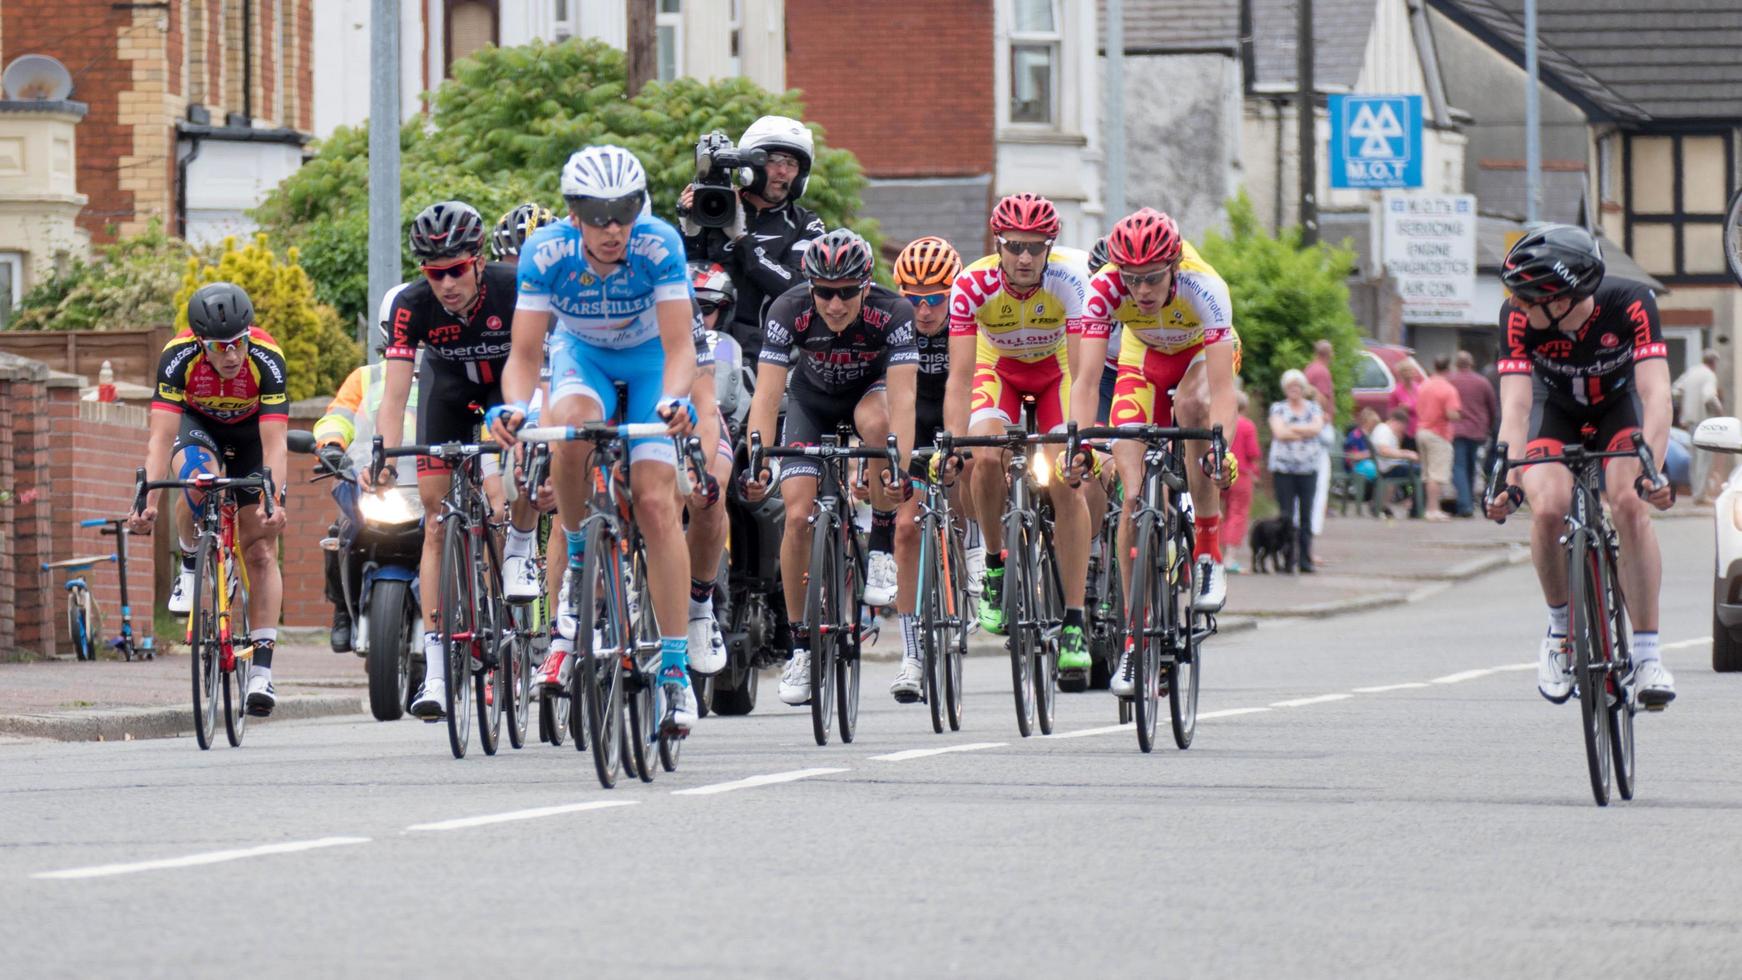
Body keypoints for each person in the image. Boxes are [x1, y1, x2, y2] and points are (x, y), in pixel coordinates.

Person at [491, 144, 703, 733]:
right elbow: (526, 354)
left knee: (658, 503)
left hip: (648, 360)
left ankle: (676, 674)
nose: (613, 228)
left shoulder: (659, 243)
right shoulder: (546, 251)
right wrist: (513, 406)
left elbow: (681, 347)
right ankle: (577, 573)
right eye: (596, 212)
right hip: (581, 355)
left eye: (625, 210)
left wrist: (677, 399)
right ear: (573, 211)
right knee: (570, 432)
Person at [1485, 224, 1676, 708]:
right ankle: (1559, 633)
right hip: (1556, 411)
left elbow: (1656, 393)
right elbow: (1516, 408)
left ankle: (1648, 655)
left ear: (1566, 297)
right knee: (1547, 507)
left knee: (1630, 503)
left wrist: (1652, 468)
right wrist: (1506, 478)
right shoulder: (1516, 318)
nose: (1522, 308)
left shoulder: (1632, 302)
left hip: (1619, 406)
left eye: (1531, 299)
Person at [741, 229, 918, 707]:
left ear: (865, 286)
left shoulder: (894, 312)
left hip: (868, 395)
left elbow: (903, 400)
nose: (835, 304)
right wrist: (759, 457)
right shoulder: (788, 310)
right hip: (811, 402)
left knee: (880, 425)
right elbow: (768, 395)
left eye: (846, 293)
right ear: (810, 287)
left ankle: (880, 545)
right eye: (824, 292)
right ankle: (800, 645)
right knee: (797, 516)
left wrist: (897, 466)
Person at [370, 200, 518, 722]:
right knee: (435, 523)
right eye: (436, 274)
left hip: (508, 395)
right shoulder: (412, 306)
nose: (447, 283)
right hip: (449, 397)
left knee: (503, 499)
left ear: (478, 260)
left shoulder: (512, 287)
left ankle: (514, 569)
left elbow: (537, 368)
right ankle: (435, 670)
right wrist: (383, 454)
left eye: (456, 270)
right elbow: (394, 396)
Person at [946, 193, 1094, 678]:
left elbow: (1082, 370)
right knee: (983, 455)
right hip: (999, 371)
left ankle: (1074, 619)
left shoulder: (1072, 281)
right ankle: (992, 563)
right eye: (1014, 246)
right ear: (999, 245)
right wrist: (953, 441)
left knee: (1065, 478)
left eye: (1035, 246)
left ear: (1050, 247)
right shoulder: (972, 284)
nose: (1024, 257)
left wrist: (1078, 442)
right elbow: (961, 377)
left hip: (1056, 374)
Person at [1074, 206, 1239, 640]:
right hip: (1143, 357)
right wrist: (1077, 442)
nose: (1142, 289)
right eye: (1132, 278)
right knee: (1131, 497)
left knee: (1192, 405)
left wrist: (1223, 451)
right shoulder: (1105, 287)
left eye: (1152, 277)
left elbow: (1223, 392)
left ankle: (1207, 549)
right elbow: (1087, 380)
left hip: (1197, 357)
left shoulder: (1204, 287)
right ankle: (1134, 635)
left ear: (1174, 267)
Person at [131, 282, 290, 714]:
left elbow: (276, 441)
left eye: (239, 342)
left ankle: (261, 672)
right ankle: (189, 561)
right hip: (198, 427)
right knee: (199, 481)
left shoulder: (267, 357)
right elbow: (161, 438)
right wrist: (145, 498)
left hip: (251, 436)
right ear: (201, 343)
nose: (233, 355)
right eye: (221, 347)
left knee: (260, 552)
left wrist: (273, 497)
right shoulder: (177, 356)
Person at [883, 236, 968, 702]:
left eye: (936, 297)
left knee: (974, 469)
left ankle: (973, 554)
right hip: (913, 422)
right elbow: (883, 395)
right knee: (906, 528)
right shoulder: (896, 328)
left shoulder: (967, 321)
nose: (924, 309)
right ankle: (912, 654)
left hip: (959, 415)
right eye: (913, 299)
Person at [312, 283, 417, 653]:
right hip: (372, 482)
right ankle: (343, 607)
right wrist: (331, 447)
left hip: (427, 484)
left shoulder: (448, 375)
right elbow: (337, 417)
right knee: (344, 529)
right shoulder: (367, 377)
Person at [679, 115, 826, 373]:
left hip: (771, 354)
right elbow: (683, 284)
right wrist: (689, 231)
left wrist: (743, 240)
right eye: (773, 160)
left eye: (791, 163)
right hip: (707, 347)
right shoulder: (716, 206)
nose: (782, 171)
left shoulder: (806, 223)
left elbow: (800, 290)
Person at [1267, 369, 1325, 572]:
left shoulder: (1314, 408)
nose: (1295, 390)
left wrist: (1293, 429)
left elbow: (1317, 429)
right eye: (1291, 387)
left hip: (1308, 468)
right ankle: (1287, 559)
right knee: (1286, 515)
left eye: (1298, 386)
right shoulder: (1278, 408)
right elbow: (1279, 432)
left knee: (1306, 515)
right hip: (1284, 468)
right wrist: (1304, 430)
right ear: (1285, 389)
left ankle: (1305, 559)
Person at [1447, 350, 1499, 517]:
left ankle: (1465, 504)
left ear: (1456, 364)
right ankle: (1467, 501)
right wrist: (1488, 426)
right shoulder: (1482, 382)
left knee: (1459, 467)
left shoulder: (1450, 381)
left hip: (1457, 429)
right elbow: (1492, 407)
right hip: (1477, 430)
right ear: (1471, 364)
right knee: (1470, 467)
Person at [1414, 355, 1463, 521]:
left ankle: (1429, 508)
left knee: (1427, 473)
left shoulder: (1423, 385)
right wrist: (1459, 415)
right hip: (1438, 433)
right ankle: (1433, 509)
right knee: (1437, 474)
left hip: (1421, 430)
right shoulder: (1448, 389)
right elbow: (1451, 413)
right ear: (1449, 369)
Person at [1673, 348, 1723, 503]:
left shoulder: (1692, 372)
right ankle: (1700, 495)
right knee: (1704, 458)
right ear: (1713, 363)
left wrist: (1685, 405)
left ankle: (1696, 491)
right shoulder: (1709, 375)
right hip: (1704, 422)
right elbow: (1709, 396)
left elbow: (1675, 390)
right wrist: (1720, 412)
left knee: (1694, 458)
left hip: (1690, 421)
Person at [1220, 390, 1260, 573]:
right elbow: (1253, 453)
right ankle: (1229, 557)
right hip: (1241, 475)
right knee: (1237, 514)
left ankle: (1213, 554)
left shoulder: (1218, 422)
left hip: (1218, 471)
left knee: (1216, 512)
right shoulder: (1247, 425)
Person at [1369, 407, 1421, 515]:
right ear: (1396, 422)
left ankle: (1385, 505)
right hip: (1388, 468)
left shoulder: (1387, 431)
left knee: (1416, 471)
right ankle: (1415, 508)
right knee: (1421, 473)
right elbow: (1383, 450)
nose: (1402, 430)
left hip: (1389, 466)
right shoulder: (1384, 430)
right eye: (1402, 427)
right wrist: (1406, 454)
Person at [1388, 357, 1424, 447]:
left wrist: (1411, 408)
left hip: (1420, 429)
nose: (1409, 374)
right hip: (1404, 432)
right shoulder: (1396, 391)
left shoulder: (1419, 388)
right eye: (1406, 371)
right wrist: (1400, 410)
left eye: (1411, 371)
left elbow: (1425, 408)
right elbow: (1391, 413)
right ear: (1400, 373)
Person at [1304, 339, 1335, 407]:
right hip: (1320, 416)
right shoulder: (1322, 372)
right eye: (1332, 352)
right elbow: (1322, 401)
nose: (1333, 354)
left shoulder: (1310, 367)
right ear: (1329, 354)